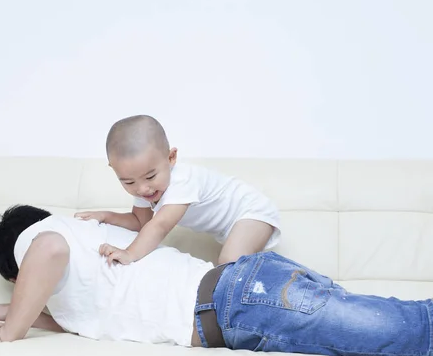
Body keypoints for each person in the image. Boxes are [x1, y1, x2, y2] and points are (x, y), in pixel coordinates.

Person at [0, 205, 433, 356]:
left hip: (239, 303)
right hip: (250, 291)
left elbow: (46, 253)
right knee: (395, 323)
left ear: (17, 267)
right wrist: (19, 312)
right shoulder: (90, 242)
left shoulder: (41, 238)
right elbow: (95, 308)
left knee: (410, 331)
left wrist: (10, 332)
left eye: (18, 283)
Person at [74, 114, 280, 266]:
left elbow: (159, 226)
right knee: (234, 265)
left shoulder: (182, 180)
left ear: (171, 158)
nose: (142, 188)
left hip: (251, 211)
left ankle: (284, 282)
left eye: (150, 176)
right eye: (128, 182)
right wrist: (105, 216)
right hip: (231, 226)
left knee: (229, 262)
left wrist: (129, 254)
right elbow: (140, 223)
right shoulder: (147, 189)